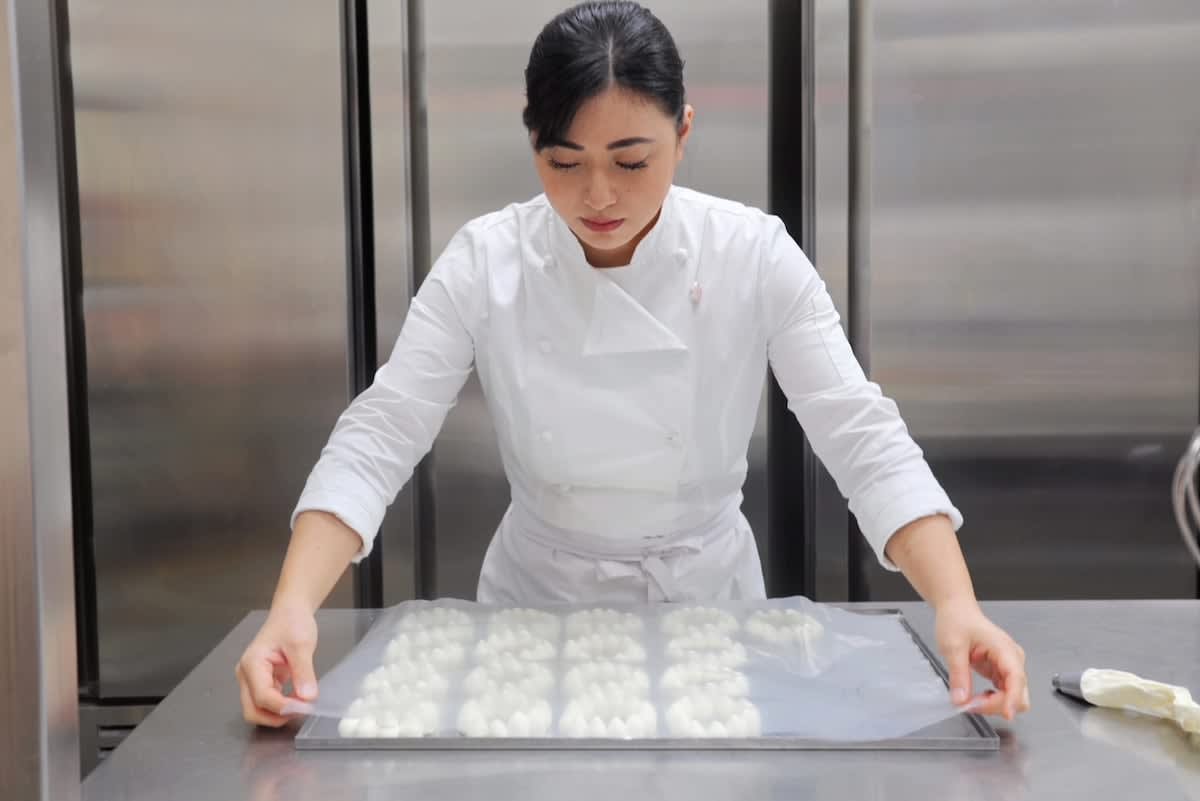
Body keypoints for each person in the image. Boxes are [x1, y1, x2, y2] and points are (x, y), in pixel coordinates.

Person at [237, 0, 1029, 728]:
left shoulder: (750, 254)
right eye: (564, 161)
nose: (597, 194)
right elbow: (382, 431)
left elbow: (859, 430)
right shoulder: (486, 261)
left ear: (683, 133)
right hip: (534, 613)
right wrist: (292, 607)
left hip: (710, 613)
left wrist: (955, 603)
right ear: (533, 141)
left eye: (630, 159)